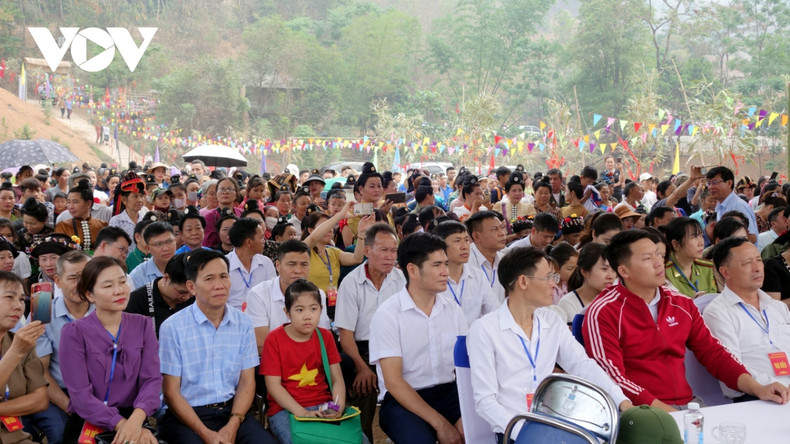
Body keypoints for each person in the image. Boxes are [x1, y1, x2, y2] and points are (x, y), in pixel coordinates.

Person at [583, 229, 790, 411]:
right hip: (638, 411)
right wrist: (669, 414)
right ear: (623, 271)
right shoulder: (603, 312)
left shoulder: (680, 304)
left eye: (659, 254)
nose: (658, 263)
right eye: (647, 258)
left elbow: (714, 353)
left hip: (688, 404)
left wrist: (759, 389)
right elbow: (612, 378)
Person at [468, 247, 631, 441]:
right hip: (514, 430)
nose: (554, 284)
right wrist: (527, 433)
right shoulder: (485, 330)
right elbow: (485, 401)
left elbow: (582, 365)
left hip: (556, 424)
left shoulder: (551, 321)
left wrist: (621, 401)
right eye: (548, 277)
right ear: (523, 282)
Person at [158, 249, 277, 443]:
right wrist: (206, 433)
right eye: (209, 279)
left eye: (223, 277)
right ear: (192, 287)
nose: (219, 285)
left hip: (231, 412)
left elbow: (247, 382)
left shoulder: (243, 323)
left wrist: (233, 424)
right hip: (186, 416)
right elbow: (171, 392)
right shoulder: (173, 327)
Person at [369, 233, 467, 444]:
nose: (445, 273)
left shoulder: (453, 310)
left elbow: (465, 365)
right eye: (437, 265)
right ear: (412, 270)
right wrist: (441, 423)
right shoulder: (388, 315)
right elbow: (394, 383)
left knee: (478, 435)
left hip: (449, 392)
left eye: (446, 264)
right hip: (403, 398)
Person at [59, 256, 161, 444]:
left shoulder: (143, 325)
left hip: (135, 414)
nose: (119, 290)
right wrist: (121, 425)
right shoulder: (73, 332)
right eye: (107, 286)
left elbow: (152, 380)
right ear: (90, 295)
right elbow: (81, 396)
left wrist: (136, 422)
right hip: (89, 418)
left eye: (122, 282)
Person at [262, 280, 364, 444]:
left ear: (321, 310)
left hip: (323, 404)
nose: (307, 315)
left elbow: (337, 379)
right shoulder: (274, 339)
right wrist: (302, 412)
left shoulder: (325, 337)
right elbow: (273, 386)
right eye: (299, 310)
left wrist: (337, 406)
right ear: (287, 312)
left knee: (356, 440)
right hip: (286, 410)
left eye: (314, 309)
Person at [705, 237, 790, 401]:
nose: (757, 268)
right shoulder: (718, 313)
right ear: (725, 272)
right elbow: (731, 367)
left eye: (759, 260)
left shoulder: (776, 307)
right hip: (756, 396)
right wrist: (772, 386)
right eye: (747, 263)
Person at [24, 251, 91, 444]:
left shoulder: (104, 308)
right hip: (57, 393)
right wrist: (72, 408)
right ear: (58, 281)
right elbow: (41, 373)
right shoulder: (42, 310)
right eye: (73, 278)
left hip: (98, 392)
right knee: (63, 432)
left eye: (85, 276)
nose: (80, 283)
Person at [246, 240, 331, 354]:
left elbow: (323, 337)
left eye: (304, 264)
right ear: (278, 266)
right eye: (291, 264)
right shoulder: (258, 294)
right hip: (274, 359)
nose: (298, 270)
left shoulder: (318, 294)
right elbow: (262, 344)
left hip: (310, 356)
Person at [0, 271, 49, 444]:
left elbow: (40, 400)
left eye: (21, 299)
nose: (18, 306)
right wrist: (15, 353)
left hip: (16, 438)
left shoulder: (21, 342)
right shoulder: (20, 345)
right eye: (9, 297)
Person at [433, 220, 500, 326]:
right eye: (457, 241)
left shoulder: (478, 276)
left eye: (466, 240)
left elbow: (495, 311)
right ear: (441, 246)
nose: (464, 246)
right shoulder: (433, 279)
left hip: (475, 339)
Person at [125, 253, 194, 338]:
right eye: (181, 292)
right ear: (166, 278)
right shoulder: (136, 302)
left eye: (191, 293)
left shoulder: (199, 298)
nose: (186, 297)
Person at [556, 242, 616, 323]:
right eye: (604, 269)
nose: (611, 276)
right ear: (584, 272)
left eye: (613, 270)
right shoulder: (568, 304)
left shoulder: (617, 299)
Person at [226, 218, 276, 310]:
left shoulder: (266, 263)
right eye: (261, 237)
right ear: (249, 242)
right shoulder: (224, 265)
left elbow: (272, 294)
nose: (264, 241)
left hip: (261, 318)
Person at [663, 217, 718, 298]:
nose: (701, 243)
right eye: (694, 237)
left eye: (701, 235)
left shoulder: (707, 268)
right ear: (676, 244)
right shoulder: (664, 272)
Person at [54, 179, 108, 253]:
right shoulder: (62, 226)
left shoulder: (102, 226)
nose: (70, 206)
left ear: (88, 204)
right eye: (68, 202)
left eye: (75, 202)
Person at [707, 166, 758, 243]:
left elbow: (752, 237)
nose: (711, 187)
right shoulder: (721, 206)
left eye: (714, 183)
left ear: (729, 183)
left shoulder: (738, 206)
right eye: (709, 183)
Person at [466, 210, 507, 302]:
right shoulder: (465, 263)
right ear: (476, 236)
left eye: (502, 227)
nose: (502, 233)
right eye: (494, 229)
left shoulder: (504, 260)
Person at [128, 222, 176, 290]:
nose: (165, 248)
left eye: (169, 241)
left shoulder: (187, 267)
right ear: (148, 248)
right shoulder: (137, 276)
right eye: (158, 244)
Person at [109, 172, 147, 253]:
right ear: (124, 200)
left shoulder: (144, 220)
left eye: (141, 196)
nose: (140, 200)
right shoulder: (116, 221)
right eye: (135, 196)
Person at [202, 177, 244, 247]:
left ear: (236, 194)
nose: (225, 192)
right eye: (222, 189)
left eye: (230, 189)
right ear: (216, 194)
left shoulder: (242, 214)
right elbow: (208, 244)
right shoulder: (209, 217)